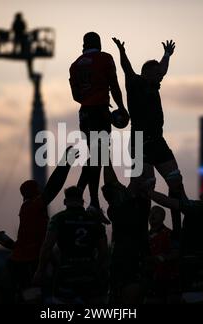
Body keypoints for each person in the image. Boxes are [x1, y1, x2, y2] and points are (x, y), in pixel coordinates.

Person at [112, 37, 185, 240]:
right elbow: (126, 68)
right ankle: (139, 230)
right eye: (157, 75)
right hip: (138, 142)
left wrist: (167, 55)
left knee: (176, 182)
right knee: (145, 186)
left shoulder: (154, 83)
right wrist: (122, 51)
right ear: (146, 74)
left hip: (158, 141)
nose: (160, 78)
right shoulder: (135, 82)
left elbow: (162, 69)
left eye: (160, 76)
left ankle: (178, 230)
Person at [0, 146, 79, 303]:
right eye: (39, 189)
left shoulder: (28, 209)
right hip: (26, 262)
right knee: (32, 295)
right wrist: (65, 162)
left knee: (31, 294)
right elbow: (53, 187)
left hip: (24, 260)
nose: (42, 190)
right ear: (35, 192)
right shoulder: (33, 207)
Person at [69, 32, 127, 215]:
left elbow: (76, 96)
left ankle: (89, 199)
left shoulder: (75, 65)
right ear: (99, 44)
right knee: (98, 157)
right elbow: (114, 85)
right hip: (99, 112)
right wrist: (121, 108)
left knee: (97, 156)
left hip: (84, 114)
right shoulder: (105, 58)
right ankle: (88, 199)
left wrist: (89, 97)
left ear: (83, 45)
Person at [146, 180, 203, 301]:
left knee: (191, 298)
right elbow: (187, 205)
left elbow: (169, 202)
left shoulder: (201, 208)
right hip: (199, 260)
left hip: (192, 262)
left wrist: (148, 192)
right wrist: (180, 191)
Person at [33, 186, 108, 304]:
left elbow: (47, 246)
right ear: (83, 202)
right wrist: (95, 267)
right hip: (89, 273)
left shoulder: (58, 219)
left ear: (65, 202)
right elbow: (103, 251)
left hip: (66, 272)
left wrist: (40, 270)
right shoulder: (95, 220)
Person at [101, 162, 150, 304]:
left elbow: (111, 182)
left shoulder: (131, 202)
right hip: (126, 259)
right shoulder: (133, 201)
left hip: (130, 260)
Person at [147, 206, 179, 303]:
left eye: (156, 212)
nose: (152, 215)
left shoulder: (170, 234)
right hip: (148, 280)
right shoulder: (144, 237)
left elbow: (177, 253)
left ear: (163, 217)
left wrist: (161, 258)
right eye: (151, 212)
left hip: (166, 280)